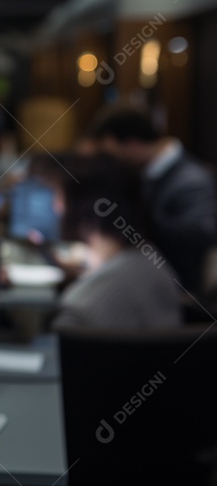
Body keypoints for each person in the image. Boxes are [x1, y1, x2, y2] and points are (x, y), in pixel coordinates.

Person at [87, 105, 217, 294]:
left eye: (111, 155)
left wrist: (137, 217)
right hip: (144, 281)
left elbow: (202, 236)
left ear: (132, 144)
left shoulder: (191, 180)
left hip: (175, 292)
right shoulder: (145, 174)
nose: (111, 163)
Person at [51, 154, 182, 330]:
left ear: (82, 205)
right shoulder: (155, 263)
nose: (56, 206)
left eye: (60, 197)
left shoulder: (79, 304)